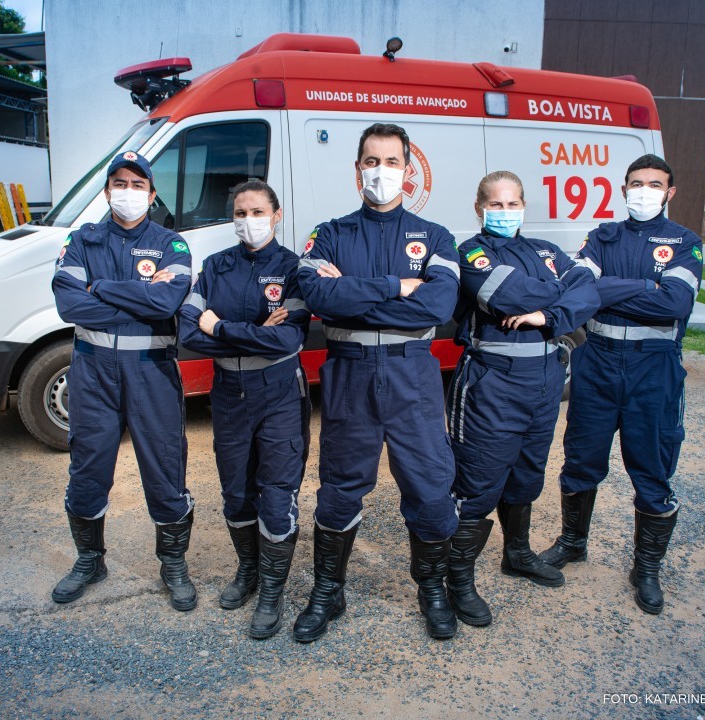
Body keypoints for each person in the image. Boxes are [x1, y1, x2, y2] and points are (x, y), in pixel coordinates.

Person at [294, 123, 461, 641]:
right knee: (340, 488)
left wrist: (355, 290)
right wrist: (396, 286)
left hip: (413, 374)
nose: (381, 171)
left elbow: (438, 304)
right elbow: (321, 299)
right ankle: (328, 588)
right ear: (357, 169)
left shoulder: (437, 236)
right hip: (350, 375)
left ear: (408, 171)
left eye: (391, 162)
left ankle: (431, 587)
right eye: (372, 161)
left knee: (432, 487)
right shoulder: (330, 233)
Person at [541, 154, 703, 615]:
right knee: (581, 458)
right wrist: (644, 287)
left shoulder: (685, 242)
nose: (644, 191)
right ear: (623, 187)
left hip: (654, 368)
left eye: (655, 184)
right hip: (598, 362)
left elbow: (674, 302)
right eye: (636, 183)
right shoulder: (603, 235)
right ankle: (573, 542)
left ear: (670, 193)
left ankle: (646, 568)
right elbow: (578, 286)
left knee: (652, 467)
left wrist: (613, 287)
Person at [445, 171, 599, 626]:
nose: (505, 212)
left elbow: (590, 291)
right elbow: (502, 294)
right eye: (497, 204)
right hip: (495, 379)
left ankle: (517, 553)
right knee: (479, 477)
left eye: (513, 204)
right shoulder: (471, 252)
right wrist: (557, 300)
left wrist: (545, 315)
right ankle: (459, 580)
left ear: (525, 206)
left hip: (547, 376)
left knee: (528, 470)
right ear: (479, 207)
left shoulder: (546, 251)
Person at [50, 150, 197, 611]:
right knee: (88, 466)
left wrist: (101, 288)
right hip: (93, 370)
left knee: (164, 466)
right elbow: (70, 305)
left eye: (137, 184)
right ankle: (90, 559)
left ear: (151, 195)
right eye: (119, 182)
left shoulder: (173, 245)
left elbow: (166, 304)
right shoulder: (82, 240)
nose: (127, 192)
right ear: (106, 190)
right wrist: (138, 300)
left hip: (151, 371)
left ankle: (173, 564)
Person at [179, 179, 311, 639]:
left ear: (277, 216)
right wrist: (249, 328)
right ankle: (249, 571)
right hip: (229, 392)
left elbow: (289, 338)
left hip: (278, 392)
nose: (248, 221)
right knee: (236, 491)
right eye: (240, 213)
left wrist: (219, 326)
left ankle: (272, 591)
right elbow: (187, 332)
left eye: (257, 212)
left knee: (276, 493)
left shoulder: (294, 269)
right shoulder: (215, 266)